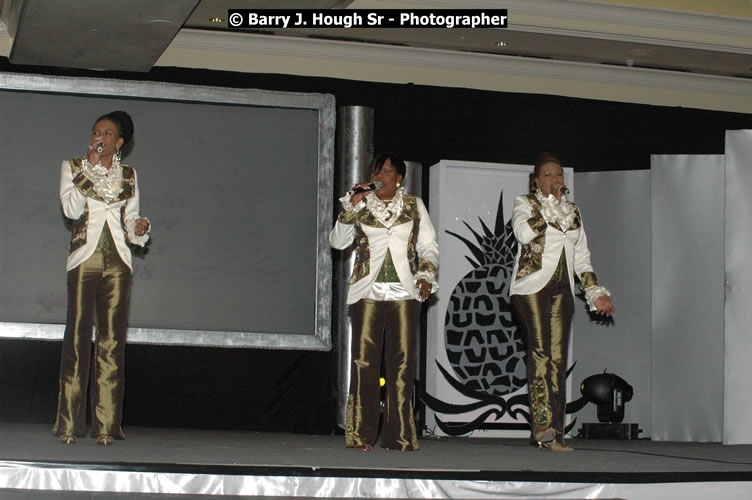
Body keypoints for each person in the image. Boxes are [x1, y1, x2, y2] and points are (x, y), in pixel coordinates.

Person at [330, 152, 439, 451]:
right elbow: (337, 242)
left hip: (405, 291)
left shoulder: (414, 205)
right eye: (377, 171)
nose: (381, 176)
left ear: (399, 177)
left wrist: (427, 274)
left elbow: (428, 245)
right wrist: (351, 206)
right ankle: (361, 436)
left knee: (401, 364)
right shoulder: (360, 204)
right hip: (367, 291)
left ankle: (399, 436)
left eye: (388, 171)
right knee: (365, 362)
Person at [53, 111, 150, 446]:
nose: (100, 137)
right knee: (77, 340)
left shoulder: (129, 174)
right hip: (84, 258)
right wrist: (89, 170)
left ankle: (107, 425)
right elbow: (71, 209)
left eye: (108, 133)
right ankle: (69, 423)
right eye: (97, 131)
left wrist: (139, 229)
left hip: (117, 260)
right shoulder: (74, 166)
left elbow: (131, 217)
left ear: (119, 142)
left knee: (111, 343)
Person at [510, 153, 614, 452]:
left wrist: (596, 293)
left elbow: (582, 258)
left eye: (558, 175)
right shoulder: (525, 204)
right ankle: (542, 427)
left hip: (562, 290)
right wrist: (547, 208)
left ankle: (555, 432)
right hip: (530, 288)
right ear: (536, 181)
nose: (555, 179)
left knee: (557, 360)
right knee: (540, 354)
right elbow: (523, 233)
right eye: (548, 175)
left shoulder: (573, 212)